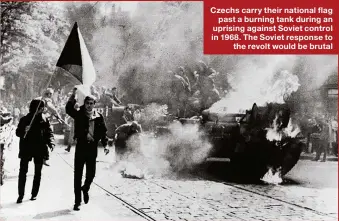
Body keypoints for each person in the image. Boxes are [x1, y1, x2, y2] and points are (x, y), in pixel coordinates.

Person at [65, 88, 109, 211]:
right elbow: (68, 109)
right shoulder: (79, 114)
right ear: (84, 104)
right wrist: (73, 94)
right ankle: (77, 201)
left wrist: (105, 145)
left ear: (94, 105)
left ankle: (85, 188)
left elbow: (103, 133)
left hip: (92, 148)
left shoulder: (99, 117)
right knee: (77, 175)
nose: (89, 106)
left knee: (91, 174)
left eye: (91, 103)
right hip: (80, 147)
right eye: (87, 103)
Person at [15, 99, 55, 203]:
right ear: (37, 109)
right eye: (41, 108)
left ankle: (34, 194)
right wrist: (24, 129)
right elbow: (18, 132)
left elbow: (49, 133)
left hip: (39, 149)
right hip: (26, 148)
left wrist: (51, 143)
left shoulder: (44, 120)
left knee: (38, 172)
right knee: (23, 172)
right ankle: (20, 195)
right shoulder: (24, 119)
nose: (43, 110)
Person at [36, 88, 62, 166]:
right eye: (50, 94)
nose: (50, 95)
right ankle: (44, 158)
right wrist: (59, 117)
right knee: (46, 139)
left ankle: (42, 158)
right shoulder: (46, 100)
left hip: (40, 122)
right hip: (44, 122)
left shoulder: (39, 99)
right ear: (49, 94)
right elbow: (53, 110)